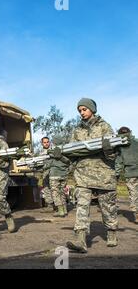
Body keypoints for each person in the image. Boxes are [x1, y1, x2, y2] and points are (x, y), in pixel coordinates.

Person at [66, 98, 118, 253]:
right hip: (83, 174)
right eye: (80, 110)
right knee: (81, 207)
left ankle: (112, 232)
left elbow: (113, 155)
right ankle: (81, 240)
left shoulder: (105, 127)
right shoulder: (77, 131)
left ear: (92, 109)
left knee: (107, 207)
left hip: (104, 173)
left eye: (84, 109)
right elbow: (71, 152)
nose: (82, 113)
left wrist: (108, 149)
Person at [115, 126, 138, 224]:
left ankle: (137, 215)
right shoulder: (136, 143)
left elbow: (119, 162)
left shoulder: (120, 147)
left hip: (131, 173)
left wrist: (116, 175)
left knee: (134, 194)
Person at [47, 144, 71, 217]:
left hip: (54, 176)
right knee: (62, 192)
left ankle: (60, 211)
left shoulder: (51, 156)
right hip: (64, 176)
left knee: (55, 193)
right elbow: (69, 163)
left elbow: (47, 165)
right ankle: (65, 209)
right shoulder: (66, 155)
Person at [39, 137, 54, 213]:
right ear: (42, 143)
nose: (46, 143)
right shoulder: (41, 152)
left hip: (54, 172)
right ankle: (50, 205)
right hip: (45, 173)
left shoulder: (53, 150)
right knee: (46, 188)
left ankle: (59, 205)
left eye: (47, 142)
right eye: (44, 142)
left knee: (55, 189)